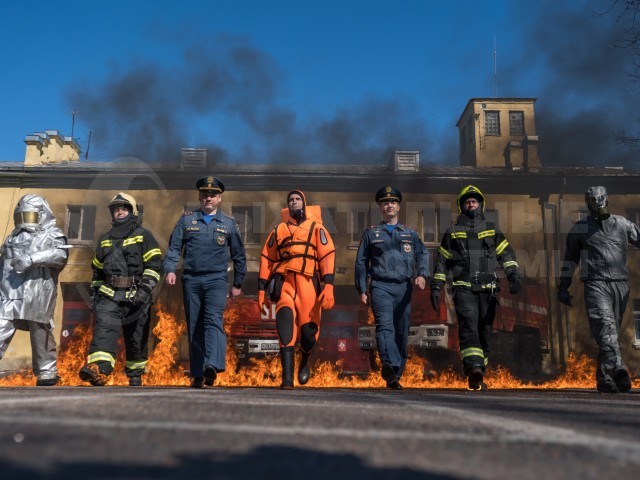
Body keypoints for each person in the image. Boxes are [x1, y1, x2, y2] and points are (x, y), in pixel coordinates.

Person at [430, 185, 522, 390]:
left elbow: (506, 254)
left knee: (486, 332)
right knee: (468, 326)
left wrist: (513, 274)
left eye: (474, 201)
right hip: (464, 288)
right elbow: (442, 263)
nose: (471, 204)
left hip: (488, 289)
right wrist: (436, 287)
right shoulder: (453, 232)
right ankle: (473, 368)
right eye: (467, 202)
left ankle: (480, 371)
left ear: (481, 204)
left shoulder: (492, 228)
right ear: (462, 206)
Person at [164, 176, 246, 388]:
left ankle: (211, 365)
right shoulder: (186, 221)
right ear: (199, 196)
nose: (208, 198)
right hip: (191, 279)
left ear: (219, 198)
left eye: (213, 195)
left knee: (212, 320)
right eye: (205, 194)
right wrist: (170, 269)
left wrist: (237, 283)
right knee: (195, 325)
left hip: (216, 280)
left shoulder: (228, 224)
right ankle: (198, 373)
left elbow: (238, 255)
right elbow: (174, 248)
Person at [558, 186, 639, 393]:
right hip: (596, 284)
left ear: (606, 200)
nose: (597, 203)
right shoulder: (579, 229)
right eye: (593, 200)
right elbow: (569, 260)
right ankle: (618, 368)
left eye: (600, 199)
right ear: (588, 203)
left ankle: (603, 378)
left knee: (612, 332)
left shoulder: (622, 224)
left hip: (620, 284)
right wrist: (563, 287)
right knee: (605, 327)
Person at [79, 193, 162, 387]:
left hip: (137, 294)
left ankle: (135, 374)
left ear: (132, 211)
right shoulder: (104, 240)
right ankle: (99, 370)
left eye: (124, 207)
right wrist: (95, 296)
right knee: (104, 330)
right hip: (109, 294)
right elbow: (97, 271)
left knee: (136, 336)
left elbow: (155, 265)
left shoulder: (144, 236)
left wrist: (145, 290)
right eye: (116, 208)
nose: (120, 211)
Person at [258, 190, 336, 389]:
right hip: (284, 283)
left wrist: (329, 286)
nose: (294, 202)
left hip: (308, 283)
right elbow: (267, 258)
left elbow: (327, 256)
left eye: (297, 199)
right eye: (291, 200)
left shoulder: (316, 228)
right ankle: (287, 379)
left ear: (304, 203)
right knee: (285, 326)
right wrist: (261, 290)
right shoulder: (278, 229)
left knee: (309, 334)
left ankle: (304, 360)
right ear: (288, 205)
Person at [355, 186, 429, 390]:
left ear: (398, 206)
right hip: (380, 287)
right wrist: (362, 288)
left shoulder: (409, 234)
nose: (389, 205)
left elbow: (423, 254)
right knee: (385, 327)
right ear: (380, 206)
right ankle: (389, 365)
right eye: (385, 202)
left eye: (393, 202)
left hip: (404, 288)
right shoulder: (371, 233)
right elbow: (361, 262)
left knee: (402, 331)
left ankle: (395, 374)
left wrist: (422, 274)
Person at [0, 194, 69, 386]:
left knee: (41, 332)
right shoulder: (12, 238)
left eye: (29, 215)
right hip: (10, 293)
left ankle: (47, 371)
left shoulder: (53, 234)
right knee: (1, 327)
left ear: (41, 214)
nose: (25, 220)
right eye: (21, 215)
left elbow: (60, 254)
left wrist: (31, 259)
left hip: (38, 291)